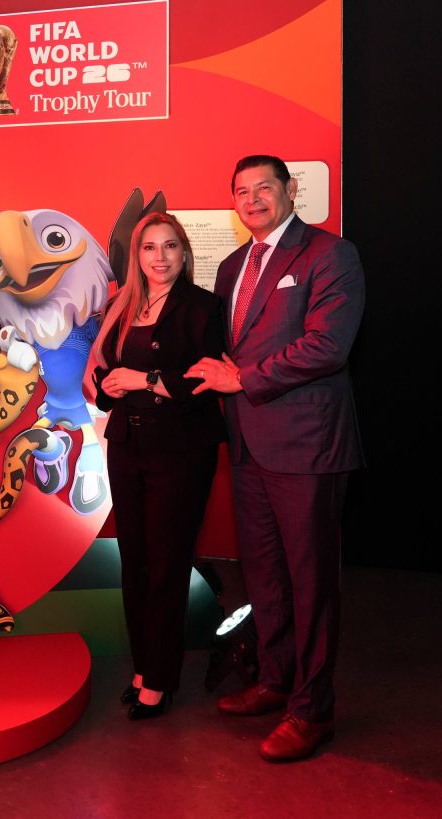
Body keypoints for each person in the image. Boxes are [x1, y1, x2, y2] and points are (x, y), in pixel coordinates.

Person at [186, 155, 364, 761]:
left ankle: (313, 710)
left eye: (265, 187)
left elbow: (327, 346)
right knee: (264, 573)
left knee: (311, 581)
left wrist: (244, 380)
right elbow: (221, 347)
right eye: (242, 191)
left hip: (307, 445)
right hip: (247, 444)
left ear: (290, 190)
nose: (254, 199)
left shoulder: (329, 254)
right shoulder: (233, 265)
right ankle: (275, 679)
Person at [93, 212, 224, 720]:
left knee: (168, 563)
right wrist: (108, 383)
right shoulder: (121, 304)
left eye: (170, 246)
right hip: (127, 443)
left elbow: (206, 379)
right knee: (136, 561)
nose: (160, 256)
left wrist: (144, 380)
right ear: (137, 256)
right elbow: (105, 367)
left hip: (181, 449)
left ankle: (160, 681)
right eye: (150, 247)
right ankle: (143, 668)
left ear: (184, 253)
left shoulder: (203, 306)